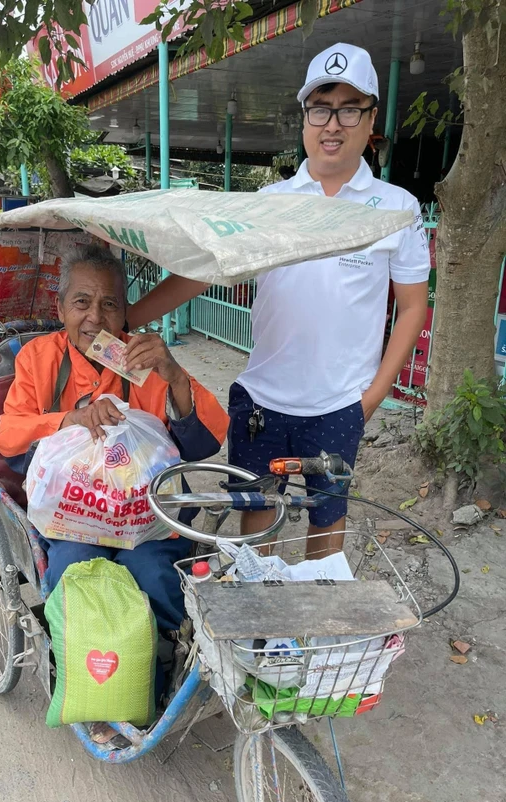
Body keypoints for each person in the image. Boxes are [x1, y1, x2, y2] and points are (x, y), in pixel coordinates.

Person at [127, 42, 430, 559]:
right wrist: (127, 317)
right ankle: (260, 605)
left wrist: (372, 397)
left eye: (349, 109)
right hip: (263, 400)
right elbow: (203, 272)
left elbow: (413, 307)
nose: (332, 125)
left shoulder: (395, 209)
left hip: (340, 404)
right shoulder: (269, 205)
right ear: (305, 117)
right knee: (257, 519)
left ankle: (317, 605)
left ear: (371, 118)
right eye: (320, 109)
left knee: (327, 519)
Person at [0, 242, 229, 630]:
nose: (95, 317)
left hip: (144, 517)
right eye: (81, 302)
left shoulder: (143, 359)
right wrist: (72, 419)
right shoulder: (38, 358)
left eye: (109, 304)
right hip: (72, 517)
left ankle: (160, 651)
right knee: (75, 572)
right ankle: (78, 655)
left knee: (154, 577)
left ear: (124, 311)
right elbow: (11, 436)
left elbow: (203, 442)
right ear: (60, 308)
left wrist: (174, 376)